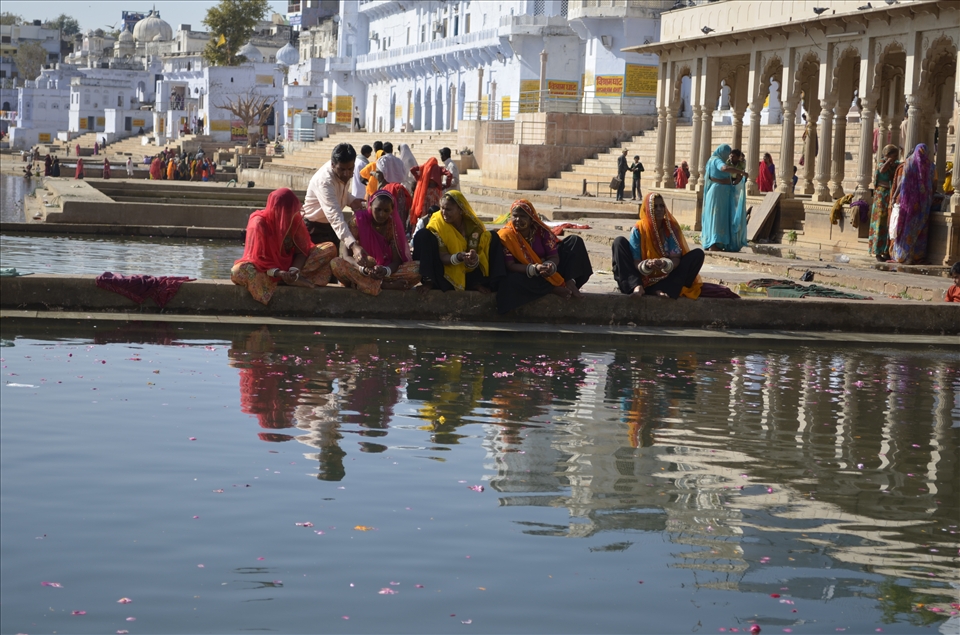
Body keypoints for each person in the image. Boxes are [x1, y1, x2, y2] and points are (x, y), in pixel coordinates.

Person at [231, 188, 337, 305]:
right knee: (238, 270)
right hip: (266, 271)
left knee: (329, 248)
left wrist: (294, 271)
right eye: (284, 211)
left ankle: (293, 279)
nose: (287, 215)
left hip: (290, 268)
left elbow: (301, 251)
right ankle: (283, 281)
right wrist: (278, 273)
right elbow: (257, 259)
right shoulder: (259, 223)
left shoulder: (293, 220)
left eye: (289, 211)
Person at [496, 199, 593, 313]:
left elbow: (554, 256)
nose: (518, 220)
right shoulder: (506, 235)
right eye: (515, 216)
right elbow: (510, 265)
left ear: (531, 219)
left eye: (522, 216)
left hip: (548, 270)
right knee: (511, 280)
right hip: (527, 273)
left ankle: (569, 281)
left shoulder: (542, 232)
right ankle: (552, 289)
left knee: (575, 241)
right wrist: (535, 268)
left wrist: (550, 266)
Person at [611, 192, 704, 299]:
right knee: (619, 242)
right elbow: (635, 261)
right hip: (641, 275)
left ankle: (659, 288)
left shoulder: (671, 228)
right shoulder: (638, 229)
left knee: (697, 255)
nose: (659, 209)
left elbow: (676, 258)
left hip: (666, 276)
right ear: (647, 209)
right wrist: (647, 264)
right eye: (654, 206)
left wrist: (665, 263)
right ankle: (636, 287)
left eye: (661, 206)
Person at [329, 189, 421, 296]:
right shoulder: (357, 221)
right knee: (336, 263)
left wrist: (385, 270)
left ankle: (365, 285)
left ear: (392, 210)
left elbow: (396, 260)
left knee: (418, 269)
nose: (381, 214)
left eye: (386, 211)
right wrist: (363, 269)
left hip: (384, 271)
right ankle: (384, 285)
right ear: (370, 206)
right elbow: (346, 255)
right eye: (378, 209)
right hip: (361, 270)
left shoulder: (393, 226)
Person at [413, 190, 504, 293]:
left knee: (492, 236)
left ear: (461, 210)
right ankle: (429, 281)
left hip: (469, 271)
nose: (443, 213)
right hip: (445, 271)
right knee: (423, 234)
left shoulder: (473, 227)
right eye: (442, 208)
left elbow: (471, 256)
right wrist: (459, 256)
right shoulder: (438, 223)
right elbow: (443, 257)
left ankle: (491, 285)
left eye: (448, 209)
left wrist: (472, 259)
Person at [302, 143, 369, 264]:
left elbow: (339, 193)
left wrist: (351, 200)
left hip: (331, 229)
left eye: (350, 169)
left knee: (331, 268)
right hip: (314, 229)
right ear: (333, 165)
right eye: (342, 169)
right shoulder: (325, 181)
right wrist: (354, 246)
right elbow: (335, 217)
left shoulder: (342, 174)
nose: (346, 174)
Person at [889, 143, 934, 265]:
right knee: (919, 230)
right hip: (923, 203)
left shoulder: (909, 163)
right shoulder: (929, 166)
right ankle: (916, 256)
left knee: (907, 229)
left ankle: (904, 256)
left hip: (909, 202)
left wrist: (894, 196)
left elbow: (902, 182)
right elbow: (931, 184)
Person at [701, 144, 749, 252]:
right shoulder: (717, 160)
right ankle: (714, 244)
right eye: (727, 153)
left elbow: (713, 177)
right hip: (719, 194)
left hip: (717, 192)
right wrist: (741, 172)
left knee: (716, 217)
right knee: (717, 218)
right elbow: (724, 168)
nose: (728, 156)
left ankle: (715, 243)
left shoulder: (711, 160)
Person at [868, 145, 900, 262]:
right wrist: (888, 161)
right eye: (894, 155)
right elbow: (882, 170)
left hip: (890, 196)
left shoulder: (895, 164)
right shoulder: (881, 163)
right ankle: (877, 251)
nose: (896, 157)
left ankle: (886, 251)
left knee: (889, 223)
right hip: (881, 196)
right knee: (880, 222)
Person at [409, 157, 453, 230]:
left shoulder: (425, 166)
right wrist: (446, 185)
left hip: (425, 191)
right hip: (435, 192)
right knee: (435, 209)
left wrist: (419, 179)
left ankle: (423, 227)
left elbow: (412, 169)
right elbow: (449, 174)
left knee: (425, 209)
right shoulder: (438, 168)